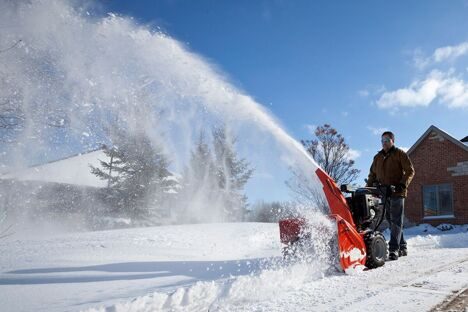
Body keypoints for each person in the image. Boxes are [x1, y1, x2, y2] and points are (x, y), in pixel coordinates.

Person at [366, 131, 415, 261]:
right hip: (384, 192)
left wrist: (402, 184)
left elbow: (410, 171)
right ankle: (403, 246)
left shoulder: (399, 154)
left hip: (397, 192)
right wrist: (368, 189)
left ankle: (394, 249)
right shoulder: (377, 157)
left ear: (392, 141)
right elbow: (372, 175)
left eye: (387, 140)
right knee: (391, 219)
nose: (384, 143)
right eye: (382, 141)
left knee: (396, 220)